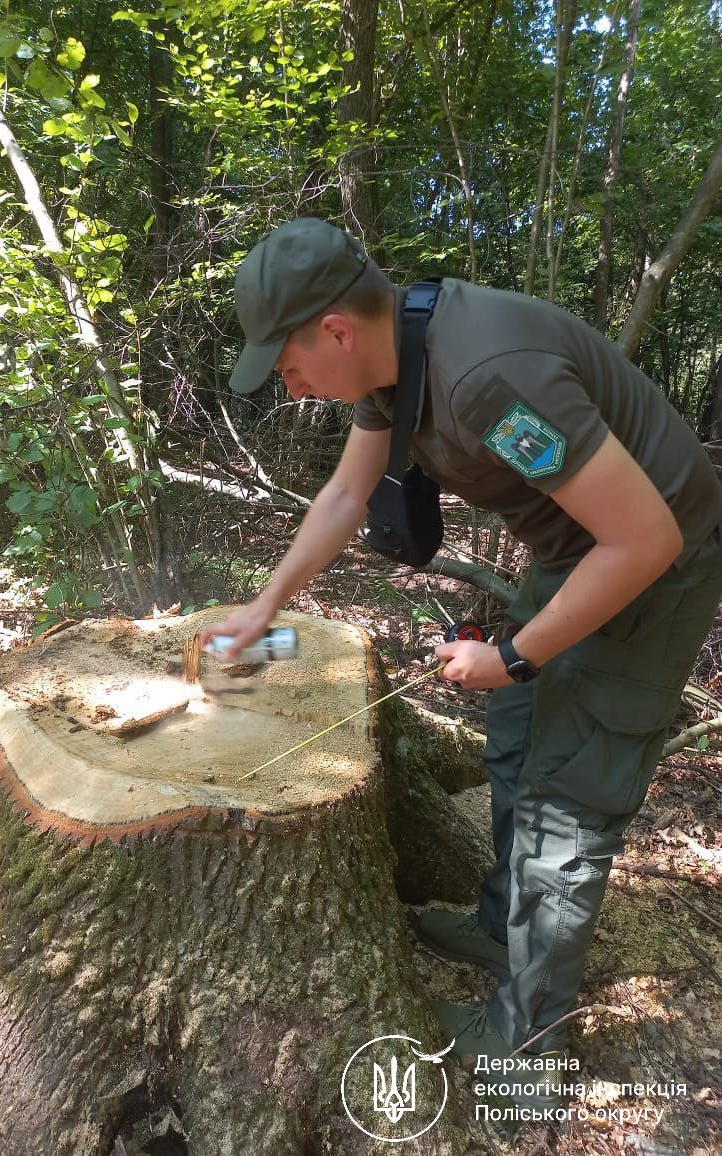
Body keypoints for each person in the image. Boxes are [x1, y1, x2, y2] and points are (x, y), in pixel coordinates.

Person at [200, 217, 722, 1106]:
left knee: (569, 797)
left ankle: (529, 1044)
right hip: (577, 552)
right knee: (518, 741)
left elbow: (644, 536)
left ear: (333, 327)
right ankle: (500, 928)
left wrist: (516, 656)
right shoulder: (389, 361)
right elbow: (343, 495)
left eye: (283, 362)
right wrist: (266, 606)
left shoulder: (488, 376)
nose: (285, 386)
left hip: (653, 563)